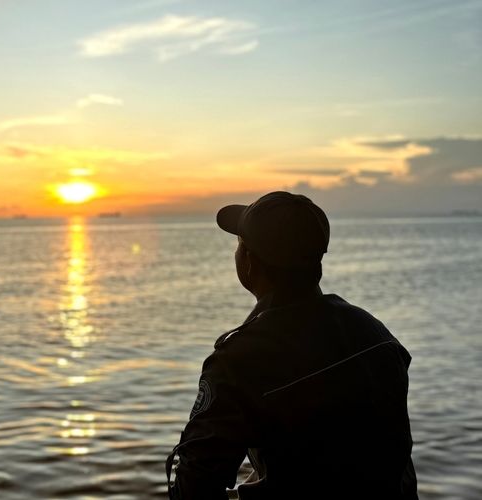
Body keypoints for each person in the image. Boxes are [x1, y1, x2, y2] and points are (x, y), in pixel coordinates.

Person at [166, 191, 417, 499]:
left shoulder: (239, 361)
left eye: (239, 243)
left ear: (249, 261)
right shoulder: (376, 335)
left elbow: (193, 489)